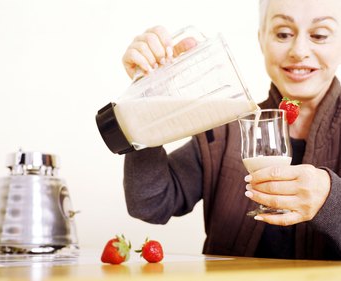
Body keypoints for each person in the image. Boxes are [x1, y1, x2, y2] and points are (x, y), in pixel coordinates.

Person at [120, 0, 341, 259]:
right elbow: (149, 204)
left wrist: (331, 199)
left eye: (319, 35)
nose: (299, 50)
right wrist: (148, 95)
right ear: (261, 39)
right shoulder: (227, 126)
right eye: (283, 33)